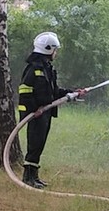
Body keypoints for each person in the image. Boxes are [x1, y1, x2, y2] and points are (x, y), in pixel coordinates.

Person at [17, 31, 86, 188]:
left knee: (39, 145)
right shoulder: (33, 69)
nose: (56, 53)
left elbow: (54, 92)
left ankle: (34, 176)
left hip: (45, 112)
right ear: (49, 49)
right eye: (55, 50)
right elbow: (24, 90)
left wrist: (74, 92)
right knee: (34, 145)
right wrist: (34, 110)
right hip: (35, 114)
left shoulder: (47, 68)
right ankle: (28, 178)